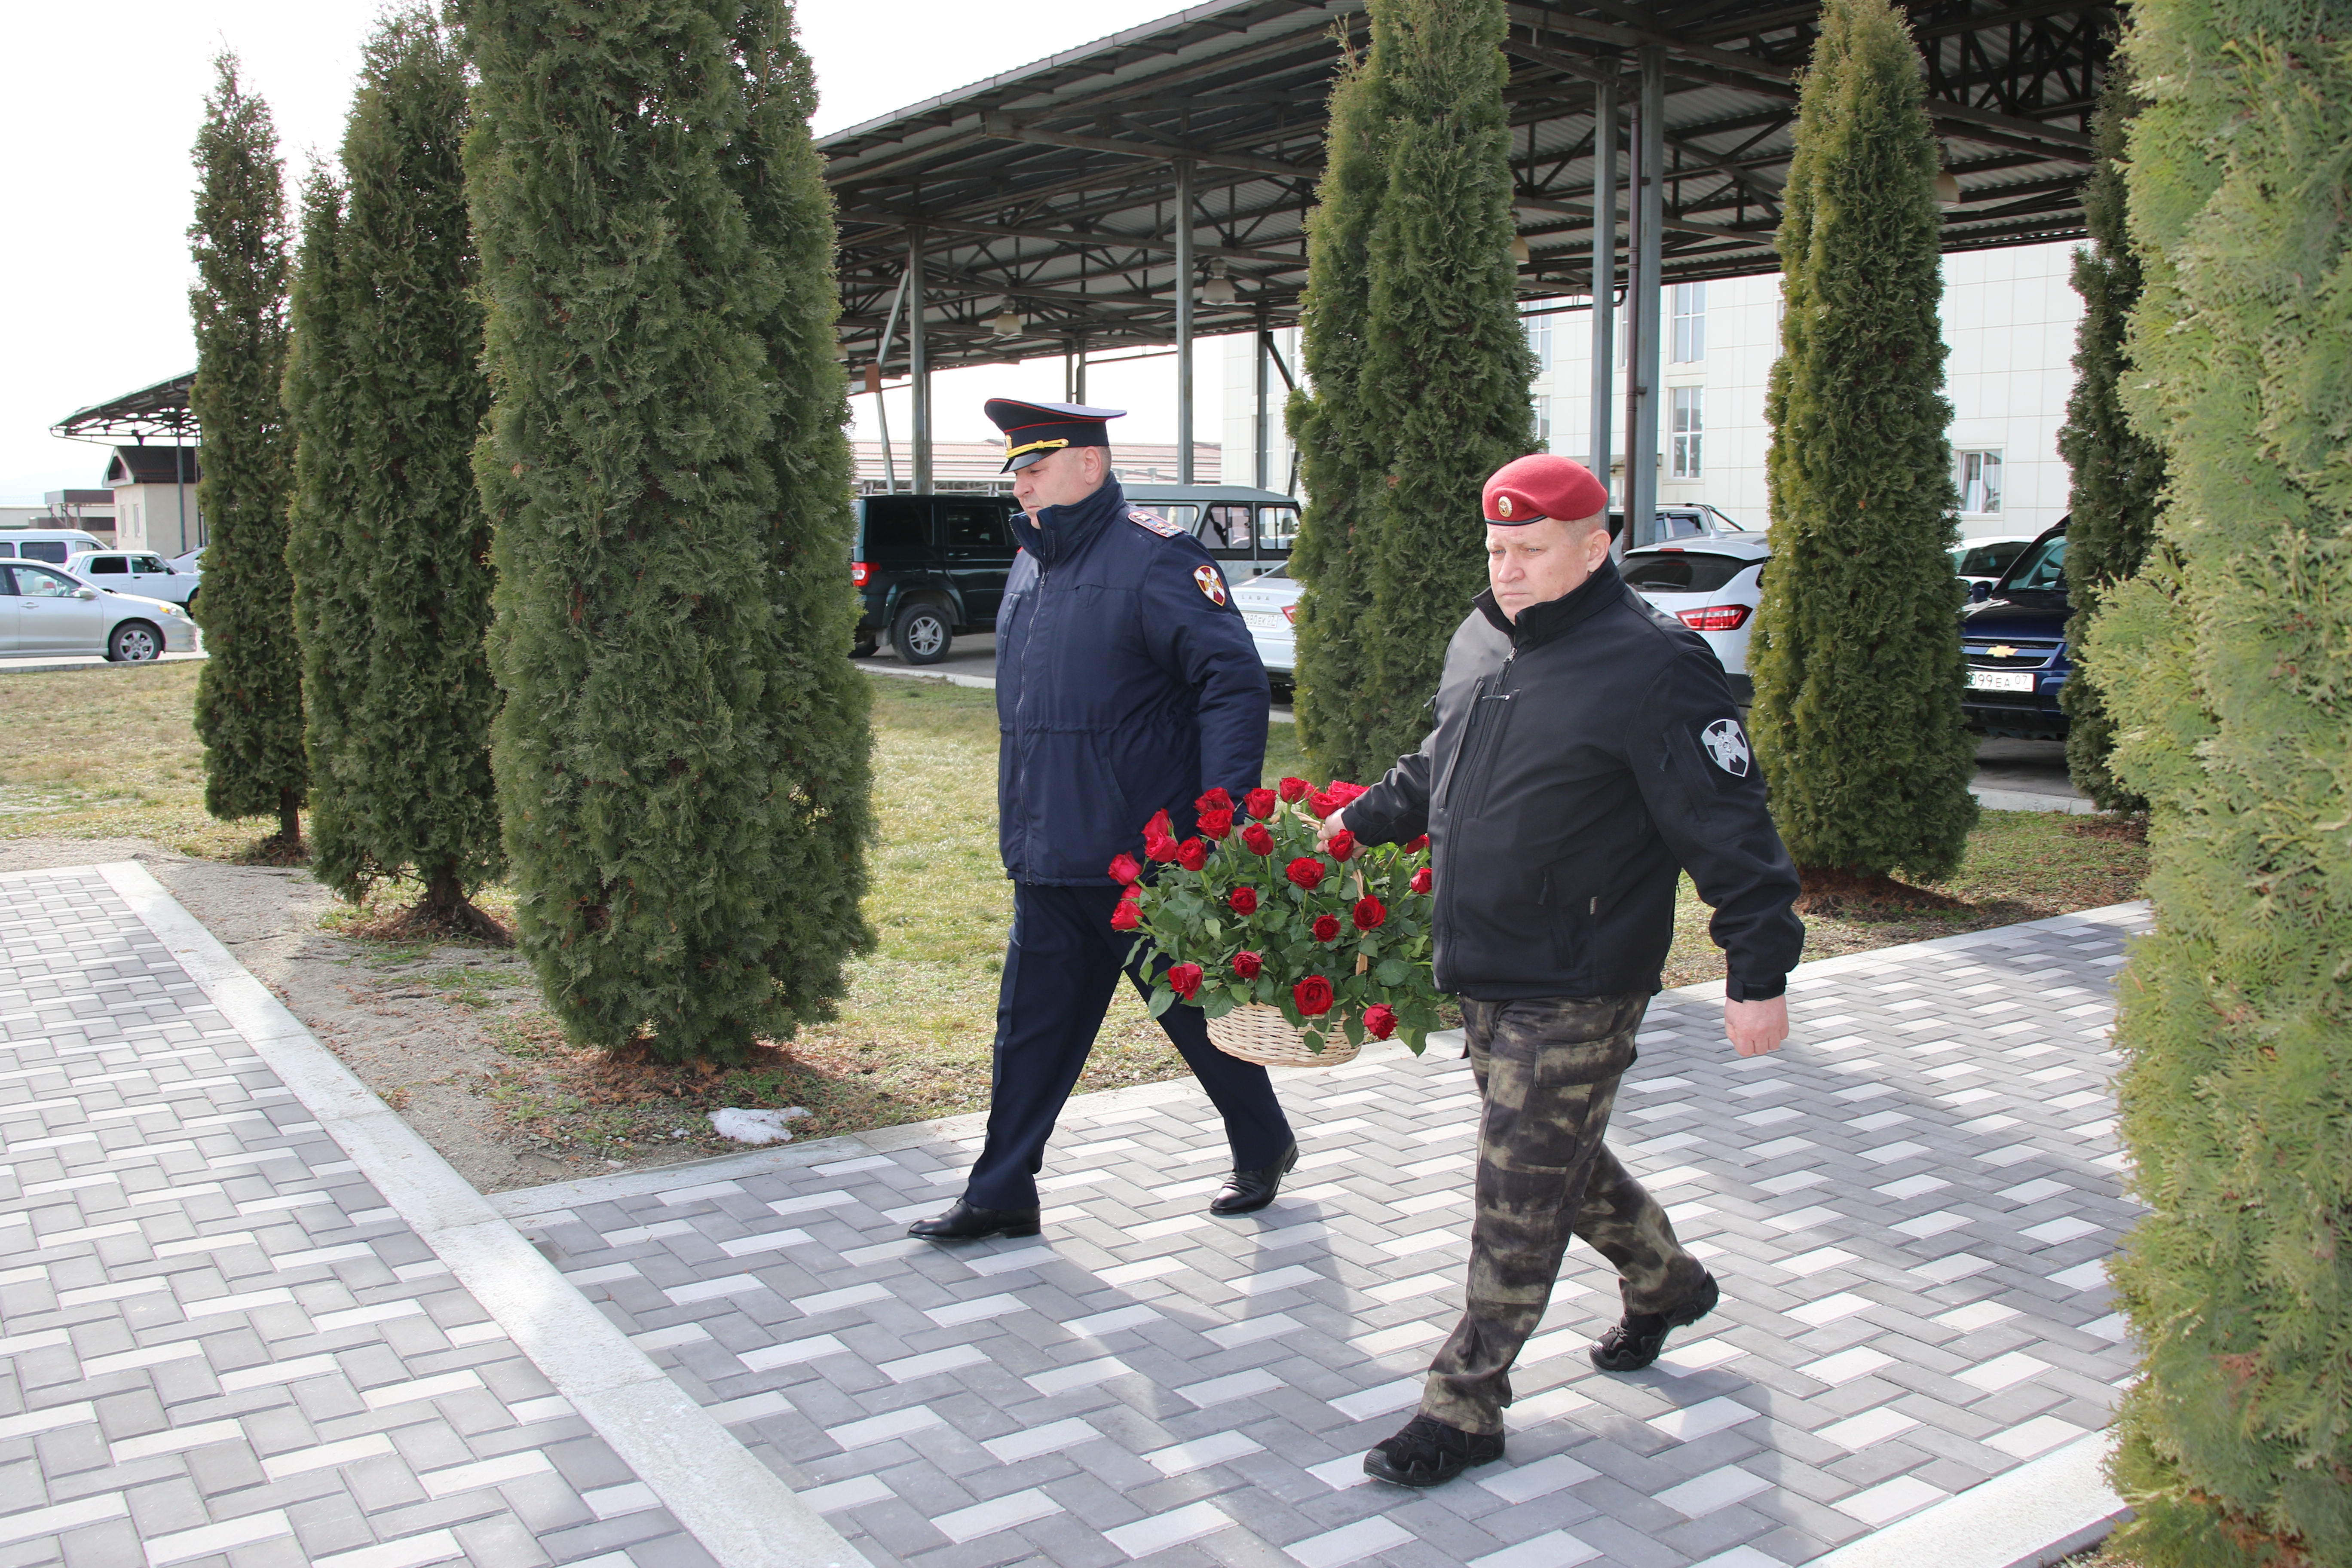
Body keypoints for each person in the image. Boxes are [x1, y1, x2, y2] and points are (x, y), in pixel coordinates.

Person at [1323, 452, 1806, 1487]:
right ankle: (1667, 1280)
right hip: (1483, 966)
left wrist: (1757, 971)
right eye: (1497, 550)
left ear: (1596, 548)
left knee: (1515, 1192)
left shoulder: (1654, 666)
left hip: (1581, 977)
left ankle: (1464, 1405)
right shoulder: (1482, 637)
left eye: (1530, 551)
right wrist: (1356, 824)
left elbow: (1732, 830)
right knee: (1553, 1162)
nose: (1507, 570)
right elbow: (1439, 763)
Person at [906, 399, 1299, 1243]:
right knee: (1030, 1032)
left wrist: (1215, 820)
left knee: (1196, 1019)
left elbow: (1231, 686)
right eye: (1016, 472)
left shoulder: (1158, 562)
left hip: (1141, 862)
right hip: (1047, 850)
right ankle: (1002, 1189)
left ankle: (1264, 1142)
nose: (1023, 486)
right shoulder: (1030, 564)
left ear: (1090, 465)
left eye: (1036, 468)